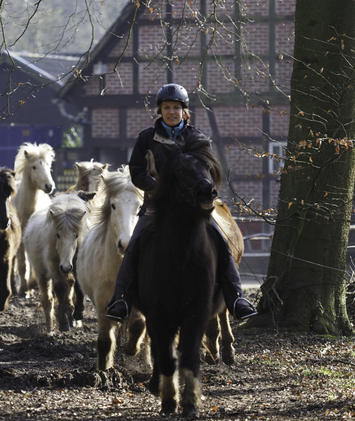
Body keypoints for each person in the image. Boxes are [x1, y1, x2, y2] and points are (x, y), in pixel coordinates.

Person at [104, 83, 258, 321]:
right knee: (134, 245)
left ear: (184, 111)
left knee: (221, 242)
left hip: (193, 209)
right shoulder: (146, 139)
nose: (171, 112)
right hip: (157, 208)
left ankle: (237, 298)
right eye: (166, 107)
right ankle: (121, 300)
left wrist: (201, 191)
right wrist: (160, 188)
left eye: (176, 107)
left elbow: (211, 170)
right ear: (160, 110)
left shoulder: (198, 138)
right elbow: (137, 172)